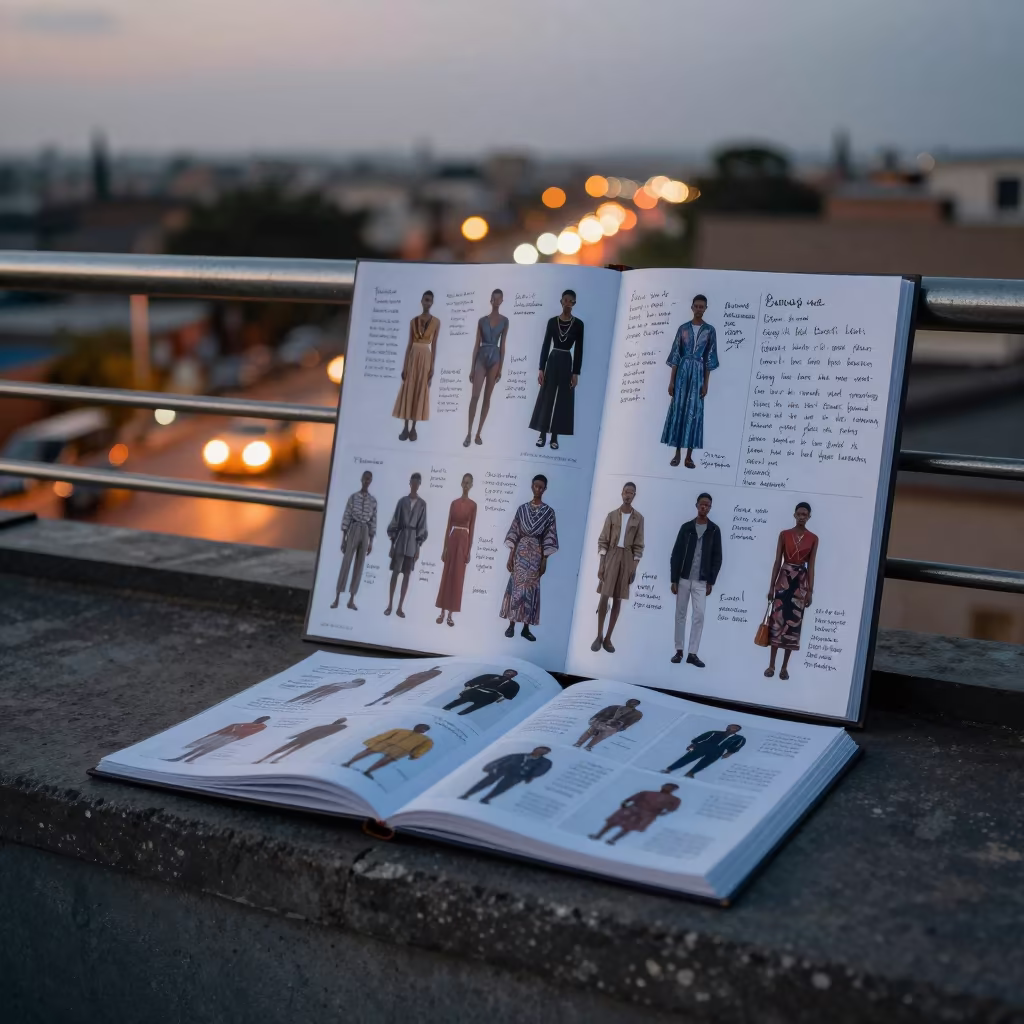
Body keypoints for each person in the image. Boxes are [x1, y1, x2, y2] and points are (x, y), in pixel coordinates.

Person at [763, 501, 819, 680]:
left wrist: (810, 590)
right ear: (794, 515)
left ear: (809, 517)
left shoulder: (813, 538)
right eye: (799, 514)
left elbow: (811, 566)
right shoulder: (784, 534)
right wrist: (771, 586)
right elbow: (776, 562)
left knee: (794, 623)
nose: (802, 517)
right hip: (784, 578)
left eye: (805, 514)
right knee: (777, 620)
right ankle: (771, 665)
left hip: (800, 582)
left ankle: (784, 667)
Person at [662, 294, 719, 469]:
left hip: (698, 375)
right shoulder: (683, 329)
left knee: (694, 412)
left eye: (702, 307)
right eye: (697, 306)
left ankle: (689, 457)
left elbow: (710, 359)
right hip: (682, 373)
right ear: (692, 307)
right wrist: (671, 382)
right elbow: (676, 355)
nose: (699, 309)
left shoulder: (710, 330)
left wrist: (706, 384)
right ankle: (677, 453)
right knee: (679, 410)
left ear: (706, 308)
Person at [501, 475, 558, 642]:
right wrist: (510, 555)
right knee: (516, 587)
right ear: (532, 486)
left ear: (545, 489)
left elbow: (550, 536)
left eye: (541, 487)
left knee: (531, 590)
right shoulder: (522, 509)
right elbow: (515, 531)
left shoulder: (549, 512)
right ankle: (511, 625)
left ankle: (526, 628)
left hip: (536, 554)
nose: (538, 490)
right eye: (536, 486)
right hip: (520, 552)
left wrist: (545, 560)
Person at [669, 492, 722, 668]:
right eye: (701, 504)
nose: (704, 507)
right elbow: (676, 553)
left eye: (707, 505)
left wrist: (711, 581)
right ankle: (678, 651)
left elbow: (717, 557)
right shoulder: (686, 528)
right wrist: (673, 579)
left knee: (699, 615)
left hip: (701, 580)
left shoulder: (714, 530)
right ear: (696, 505)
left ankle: (692, 653)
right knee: (680, 614)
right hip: (683, 578)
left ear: (710, 507)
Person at [592, 482, 645, 653]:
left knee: (618, 599)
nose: (628, 495)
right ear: (621, 493)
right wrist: (601, 565)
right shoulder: (612, 516)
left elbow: (639, 546)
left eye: (631, 493)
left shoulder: (639, 518)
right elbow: (603, 541)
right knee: (604, 596)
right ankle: (598, 635)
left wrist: (634, 568)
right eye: (626, 492)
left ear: (634, 495)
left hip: (627, 557)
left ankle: (608, 638)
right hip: (611, 556)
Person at [530, 290, 584, 450]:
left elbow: (579, 349)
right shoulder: (552, 322)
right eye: (565, 300)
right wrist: (541, 368)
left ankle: (554, 436)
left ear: (574, 304)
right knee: (547, 396)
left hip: (567, 361)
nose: (567, 303)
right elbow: (546, 345)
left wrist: (576, 373)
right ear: (561, 301)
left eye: (571, 301)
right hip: (553, 361)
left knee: (563, 398)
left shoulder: (579, 324)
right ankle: (542, 434)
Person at [393, 291, 439, 442]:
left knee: (420, 389)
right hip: (413, 356)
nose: (428, 303)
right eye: (426, 300)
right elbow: (409, 344)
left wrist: (432, 366)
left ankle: (414, 428)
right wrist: (405, 366)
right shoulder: (413, 321)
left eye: (430, 301)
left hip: (426, 356)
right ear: (421, 301)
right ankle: (405, 427)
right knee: (409, 389)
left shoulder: (436, 322)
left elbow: (435, 345)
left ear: (432, 303)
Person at [465, 289, 509, 447]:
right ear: (490, 300)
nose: (496, 301)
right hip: (482, 357)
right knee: (474, 396)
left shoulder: (505, 321)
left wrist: (501, 368)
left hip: (495, 357)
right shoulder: (481, 320)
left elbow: (503, 346)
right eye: (494, 298)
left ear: (502, 301)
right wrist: (472, 368)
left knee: (487, 398)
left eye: (499, 299)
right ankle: (468, 433)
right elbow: (476, 344)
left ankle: (478, 434)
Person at [435, 473, 477, 627]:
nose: (466, 485)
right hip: (452, 540)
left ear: (471, 485)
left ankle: (450, 615)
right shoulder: (453, 503)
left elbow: (471, 529)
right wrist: (444, 548)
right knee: (447, 574)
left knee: (458, 577)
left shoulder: (473, 505)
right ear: (461, 483)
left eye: (468, 483)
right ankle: (442, 612)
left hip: (463, 542)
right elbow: (448, 526)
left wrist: (469, 550)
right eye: (464, 482)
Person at [331, 471, 376, 610]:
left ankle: (351, 599)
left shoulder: (372, 501)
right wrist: (343, 538)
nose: (366, 481)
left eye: (369, 480)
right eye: (365, 479)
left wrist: (371, 542)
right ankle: (337, 597)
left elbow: (373, 521)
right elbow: (347, 516)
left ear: (371, 481)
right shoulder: (353, 497)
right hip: (354, 527)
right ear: (361, 479)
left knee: (359, 564)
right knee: (346, 562)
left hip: (365, 531)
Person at [385, 473, 428, 618]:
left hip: (412, 544)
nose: (415, 485)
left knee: (407, 575)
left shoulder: (422, 504)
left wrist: (418, 548)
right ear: (410, 483)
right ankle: (390, 605)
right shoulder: (402, 501)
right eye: (413, 482)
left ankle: (400, 607)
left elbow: (422, 527)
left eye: (417, 483)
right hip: (400, 539)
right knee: (395, 573)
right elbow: (395, 523)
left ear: (419, 484)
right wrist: (392, 545)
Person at [588, 784, 680, 845]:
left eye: (671, 788)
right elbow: (634, 797)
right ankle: (598, 836)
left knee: (628, 827)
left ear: (674, 790)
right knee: (612, 822)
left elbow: (673, 808)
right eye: (666, 786)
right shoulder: (647, 792)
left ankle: (613, 840)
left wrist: (665, 811)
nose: (667, 788)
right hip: (633, 808)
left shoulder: (674, 799)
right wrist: (626, 801)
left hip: (648, 813)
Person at [459, 746, 552, 804]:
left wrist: (530, 776)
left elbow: (542, 770)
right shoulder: (518, 755)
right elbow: (502, 760)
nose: (541, 752)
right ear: (535, 749)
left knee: (502, 787)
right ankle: (466, 794)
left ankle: (486, 798)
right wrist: (490, 767)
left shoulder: (544, 762)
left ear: (546, 753)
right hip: (502, 770)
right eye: (540, 749)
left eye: (544, 751)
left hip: (517, 775)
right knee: (484, 782)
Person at [341, 724, 433, 779]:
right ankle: (348, 763)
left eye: (424, 729)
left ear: (425, 731)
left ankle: (368, 772)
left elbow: (422, 748)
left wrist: (415, 755)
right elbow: (384, 735)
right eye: (421, 727)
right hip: (386, 743)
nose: (421, 729)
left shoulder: (426, 740)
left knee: (385, 761)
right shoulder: (400, 730)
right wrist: (373, 741)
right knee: (368, 752)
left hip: (401, 750)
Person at [164, 717, 270, 763]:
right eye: (260, 718)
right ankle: (182, 757)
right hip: (225, 735)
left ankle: (190, 759)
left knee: (209, 748)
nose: (260, 720)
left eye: (262, 719)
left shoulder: (261, 727)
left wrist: (235, 730)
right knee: (203, 746)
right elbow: (224, 729)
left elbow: (244, 732)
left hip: (231, 737)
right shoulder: (242, 723)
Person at [662, 724, 745, 778]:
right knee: (687, 758)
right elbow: (702, 737)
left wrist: (729, 753)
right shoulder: (714, 732)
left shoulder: (738, 738)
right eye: (732, 726)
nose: (733, 728)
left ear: (737, 730)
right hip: (703, 747)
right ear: (727, 727)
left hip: (718, 751)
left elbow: (737, 746)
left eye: (736, 728)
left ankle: (691, 773)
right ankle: (669, 769)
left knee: (706, 762)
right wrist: (693, 744)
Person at [253, 718, 348, 764]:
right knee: (290, 749)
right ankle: (272, 759)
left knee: (287, 748)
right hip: (309, 738)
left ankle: (268, 759)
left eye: (339, 721)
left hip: (307, 737)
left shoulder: (329, 727)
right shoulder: (330, 727)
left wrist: (296, 736)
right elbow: (311, 731)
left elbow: (310, 731)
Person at [573, 698, 643, 751]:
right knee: (590, 731)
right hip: (601, 722)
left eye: (634, 703)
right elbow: (601, 712)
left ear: (636, 705)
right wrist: (594, 719)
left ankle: (589, 746)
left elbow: (631, 722)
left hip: (614, 726)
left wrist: (621, 728)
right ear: (627, 702)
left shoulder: (637, 714)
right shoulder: (614, 707)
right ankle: (578, 743)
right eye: (630, 702)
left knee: (601, 736)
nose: (631, 703)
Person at [442, 670, 520, 715]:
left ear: (514, 676)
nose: (509, 674)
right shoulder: (491, 675)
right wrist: (469, 685)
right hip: (477, 690)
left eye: (512, 674)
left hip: (491, 696)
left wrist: (503, 697)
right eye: (508, 672)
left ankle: (459, 715)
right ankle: (444, 710)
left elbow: (510, 696)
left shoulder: (514, 685)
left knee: (473, 708)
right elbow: (475, 680)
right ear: (504, 672)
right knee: (460, 701)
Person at [364, 666, 444, 706]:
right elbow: (415, 676)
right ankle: (378, 701)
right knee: (394, 692)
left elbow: (418, 678)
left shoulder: (429, 674)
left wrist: (413, 680)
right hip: (409, 683)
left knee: (397, 693)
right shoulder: (428, 673)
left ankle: (384, 701)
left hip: (410, 683)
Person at [286, 679, 366, 703]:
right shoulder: (350, 682)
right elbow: (338, 683)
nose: (356, 680)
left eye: (358, 680)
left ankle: (305, 701)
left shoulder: (353, 685)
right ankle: (297, 700)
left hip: (334, 688)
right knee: (314, 694)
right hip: (332, 686)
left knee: (318, 695)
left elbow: (341, 686)